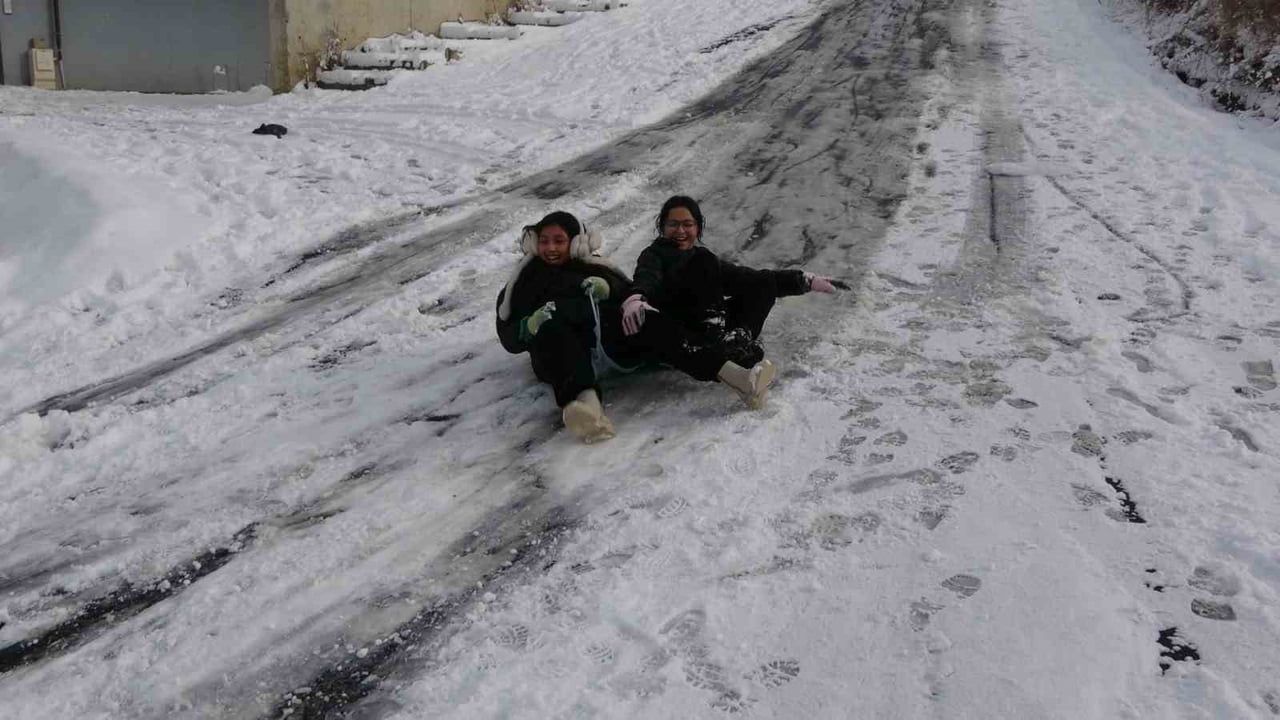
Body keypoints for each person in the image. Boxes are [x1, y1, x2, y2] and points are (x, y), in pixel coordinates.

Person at [621, 195, 839, 409]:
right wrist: (636, 297)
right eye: (673, 224)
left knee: (762, 282)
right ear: (662, 227)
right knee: (654, 312)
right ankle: (733, 362)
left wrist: (803, 281)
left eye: (687, 224)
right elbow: (646, 277)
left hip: (713, 330)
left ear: (698, 228)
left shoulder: (704, 257)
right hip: (681, 333)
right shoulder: (654, 255)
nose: (680, 231)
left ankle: (737, 342)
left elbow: (747, 278)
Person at [496, 211, 643, 444]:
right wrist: (527, 326)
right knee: (555, 329)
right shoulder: (525, 281)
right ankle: (589, 411)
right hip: (558, 356)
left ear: (576, 243)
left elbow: (630, 295)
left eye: (559, 241)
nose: (551, 248)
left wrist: (607, 289)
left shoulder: (592, 267)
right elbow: (508, 335)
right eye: (544, 241)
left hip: (603, 346)